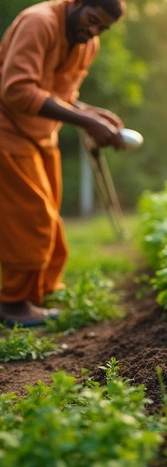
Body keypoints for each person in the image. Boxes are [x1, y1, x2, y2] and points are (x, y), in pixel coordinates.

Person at [0, 0, 127, 326]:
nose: (94, 31)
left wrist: (91, 113)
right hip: (7, 129)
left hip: (42, 135)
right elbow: (15, 90)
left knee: (51, 220)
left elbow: (61, 94)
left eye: (103, 28)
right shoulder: (38, 22)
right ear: (77, 3)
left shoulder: (88, 43)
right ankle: (12, 304)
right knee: (32, 218)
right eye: (92, 19)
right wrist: (85, 121)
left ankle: (39, 291)